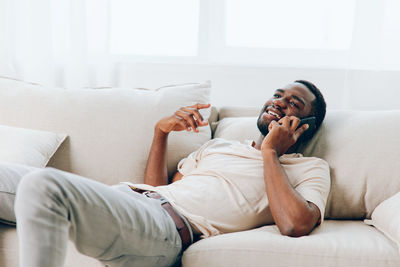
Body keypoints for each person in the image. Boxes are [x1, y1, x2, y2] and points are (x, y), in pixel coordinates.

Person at [11, 80, 329, 267]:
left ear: (307, 126)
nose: (279, 103)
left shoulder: (308, 168)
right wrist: (160, 134)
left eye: (294, 103)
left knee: (43, 184)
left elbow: (294, 224)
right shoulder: (218, 147)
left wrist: (270, 152)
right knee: (28, 183)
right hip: (135, 204)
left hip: (168, 231)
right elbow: (160, 191)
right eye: (277, 95)